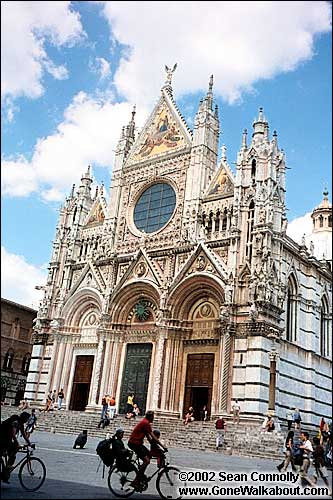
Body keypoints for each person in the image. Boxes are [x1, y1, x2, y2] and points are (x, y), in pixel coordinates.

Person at [128, 410, 167, 489]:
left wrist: (157, 447)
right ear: (150, 417)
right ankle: (136, 481)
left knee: (148, 455)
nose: (153, 418)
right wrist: (163, 446)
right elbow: (153, 437)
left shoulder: (145, 423)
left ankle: (141, 475)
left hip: (138, 443)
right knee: (147, 461)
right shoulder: (145, 423)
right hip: (134, 443)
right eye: (153, 417)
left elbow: (149, 439)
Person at [0, 412, 31, 482]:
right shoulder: (16, 422)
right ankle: (8, 467)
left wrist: (29, 443)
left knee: (12, 452)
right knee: (14, 448)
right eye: (27, 419)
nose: (27, 421)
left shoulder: (21, 424)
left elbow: (23, 434)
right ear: (24, 418)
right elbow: (13, 434)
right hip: (2, 438)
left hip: (6, 439)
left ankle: (5, 473)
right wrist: (17, 444)